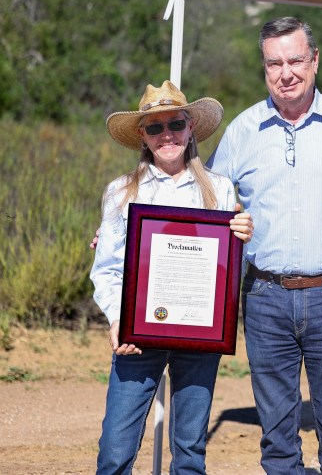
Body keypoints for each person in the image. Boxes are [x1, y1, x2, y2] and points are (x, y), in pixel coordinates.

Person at [206, 17, 322, 475]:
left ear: (315, 61)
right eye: (274, 63)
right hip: (264, 300)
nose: (286, 72)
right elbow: (205, 200)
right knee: (277, 441)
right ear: (264, 68)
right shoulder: (243, 130)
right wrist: (128, 228)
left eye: (295, 60)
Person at [90, 80, 253, 474]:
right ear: (143, 137)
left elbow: (231, 272)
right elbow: (108, 268)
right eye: (155, 127)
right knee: (116, 448)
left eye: (175, 124)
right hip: (136, 337)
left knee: (190, 451)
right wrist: (118, 319)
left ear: (190, 128)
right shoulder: (120, 193)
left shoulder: (218, 189)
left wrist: (242, 242)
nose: (167, 135)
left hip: (199, 337)